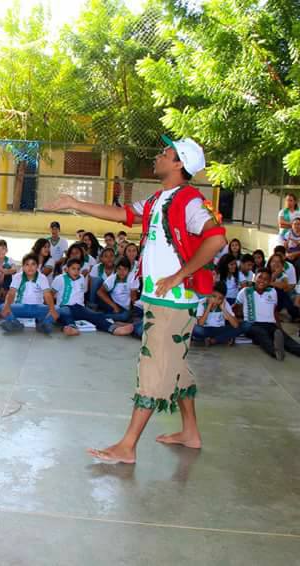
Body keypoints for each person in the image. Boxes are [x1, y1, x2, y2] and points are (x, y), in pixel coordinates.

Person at [47, 135, 226, 464]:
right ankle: (190, 432)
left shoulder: (190, 201)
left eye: (165, 153)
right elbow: (123, 214)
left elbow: (216, 239)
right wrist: (76, 203)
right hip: (163, 299)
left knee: (152, 367)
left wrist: (179, 275)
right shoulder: (160, 198)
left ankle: (127, 445)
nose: (158, 156)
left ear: (179, 164)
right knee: (175, 366)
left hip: (173, 301)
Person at [234, 268, 300, 360]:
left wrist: (279, 328)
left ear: (269, 282)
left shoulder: (272, 292)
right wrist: (237, 323)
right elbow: (236, 308)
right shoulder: (245, 291)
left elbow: (274, 311)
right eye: (260, 277)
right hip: (251, 324)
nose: (262, 280)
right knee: (262, 335)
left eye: (266, 279)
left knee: (285, 338)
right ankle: (275, 352)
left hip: (269, 324)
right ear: (254, 278)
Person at [0, 253, 58, 334]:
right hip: (21, 307)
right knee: (2, 307)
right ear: (23, 267)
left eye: (33, 264)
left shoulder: (42, 277)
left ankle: (44, 324)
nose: (30, 267)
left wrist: (52, 310)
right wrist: (7, 306)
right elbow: (11, 293)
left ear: (37, 266)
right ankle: (15, 323)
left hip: (37, 308)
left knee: (57, 308)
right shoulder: (18, 276)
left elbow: (47, 295)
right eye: (27, 264)